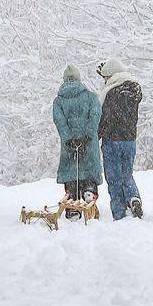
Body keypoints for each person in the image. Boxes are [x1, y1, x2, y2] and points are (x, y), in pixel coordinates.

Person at [51, 65, 102, 215]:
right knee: (89, 173)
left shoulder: (58, 101)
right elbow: (95, 117)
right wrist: (87, 137)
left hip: (69, 148)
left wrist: (69, 140)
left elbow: (60, 122)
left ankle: (72, 204)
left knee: (71, 175)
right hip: (89, 145)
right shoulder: (91, 97)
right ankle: (89, 193)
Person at [96, 59, 144, 220]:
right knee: (127, 175)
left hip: (112, 141)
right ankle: (134, 198)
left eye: (105, 77)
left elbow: (105, 120)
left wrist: (96, 137)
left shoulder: (111, 93)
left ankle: (119, 214)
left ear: (111, 76)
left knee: (114, 179)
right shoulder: (134, 90)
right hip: (130, 140)